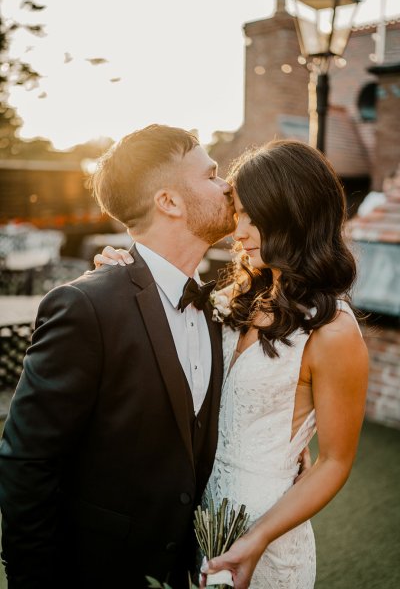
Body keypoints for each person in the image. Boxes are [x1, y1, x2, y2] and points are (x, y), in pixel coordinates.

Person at [99, 140, 369, 589]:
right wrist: (124, 270)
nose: (238, 232)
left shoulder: (334, 331)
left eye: (254, 217)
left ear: (296, 214)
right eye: (238, 213)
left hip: (266, 538)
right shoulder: (229, 303)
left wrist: (258, 539)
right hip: (198, 521)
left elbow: (335, 462)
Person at [0, 124, 236, 588]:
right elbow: (28, 460)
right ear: (169, 201)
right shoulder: (86, 306)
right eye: (211, 175)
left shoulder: (218, 307)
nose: (227, 184)